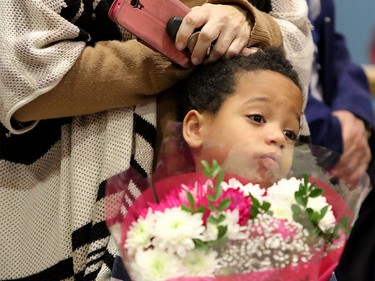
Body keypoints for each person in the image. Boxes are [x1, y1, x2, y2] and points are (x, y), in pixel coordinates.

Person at [0, 1, 313, 280]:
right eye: (258, 119)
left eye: (289, 133)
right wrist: (176, 55)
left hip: (242, 220)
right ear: (193, 126)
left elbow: (297, 50)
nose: (277, 138)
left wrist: (247, 20)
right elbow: (14, 73)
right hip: (87, 202)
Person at [306, 0, 375, 280]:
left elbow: (334, 49)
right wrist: (336, 131)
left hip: (334, 123)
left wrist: (353, 111)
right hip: (295, 126)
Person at [180, 47, 304, 188]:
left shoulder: (305, 208)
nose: (280, 138)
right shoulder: (163, 209)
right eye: (257, 118)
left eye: (290, 133)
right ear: (196, 128)